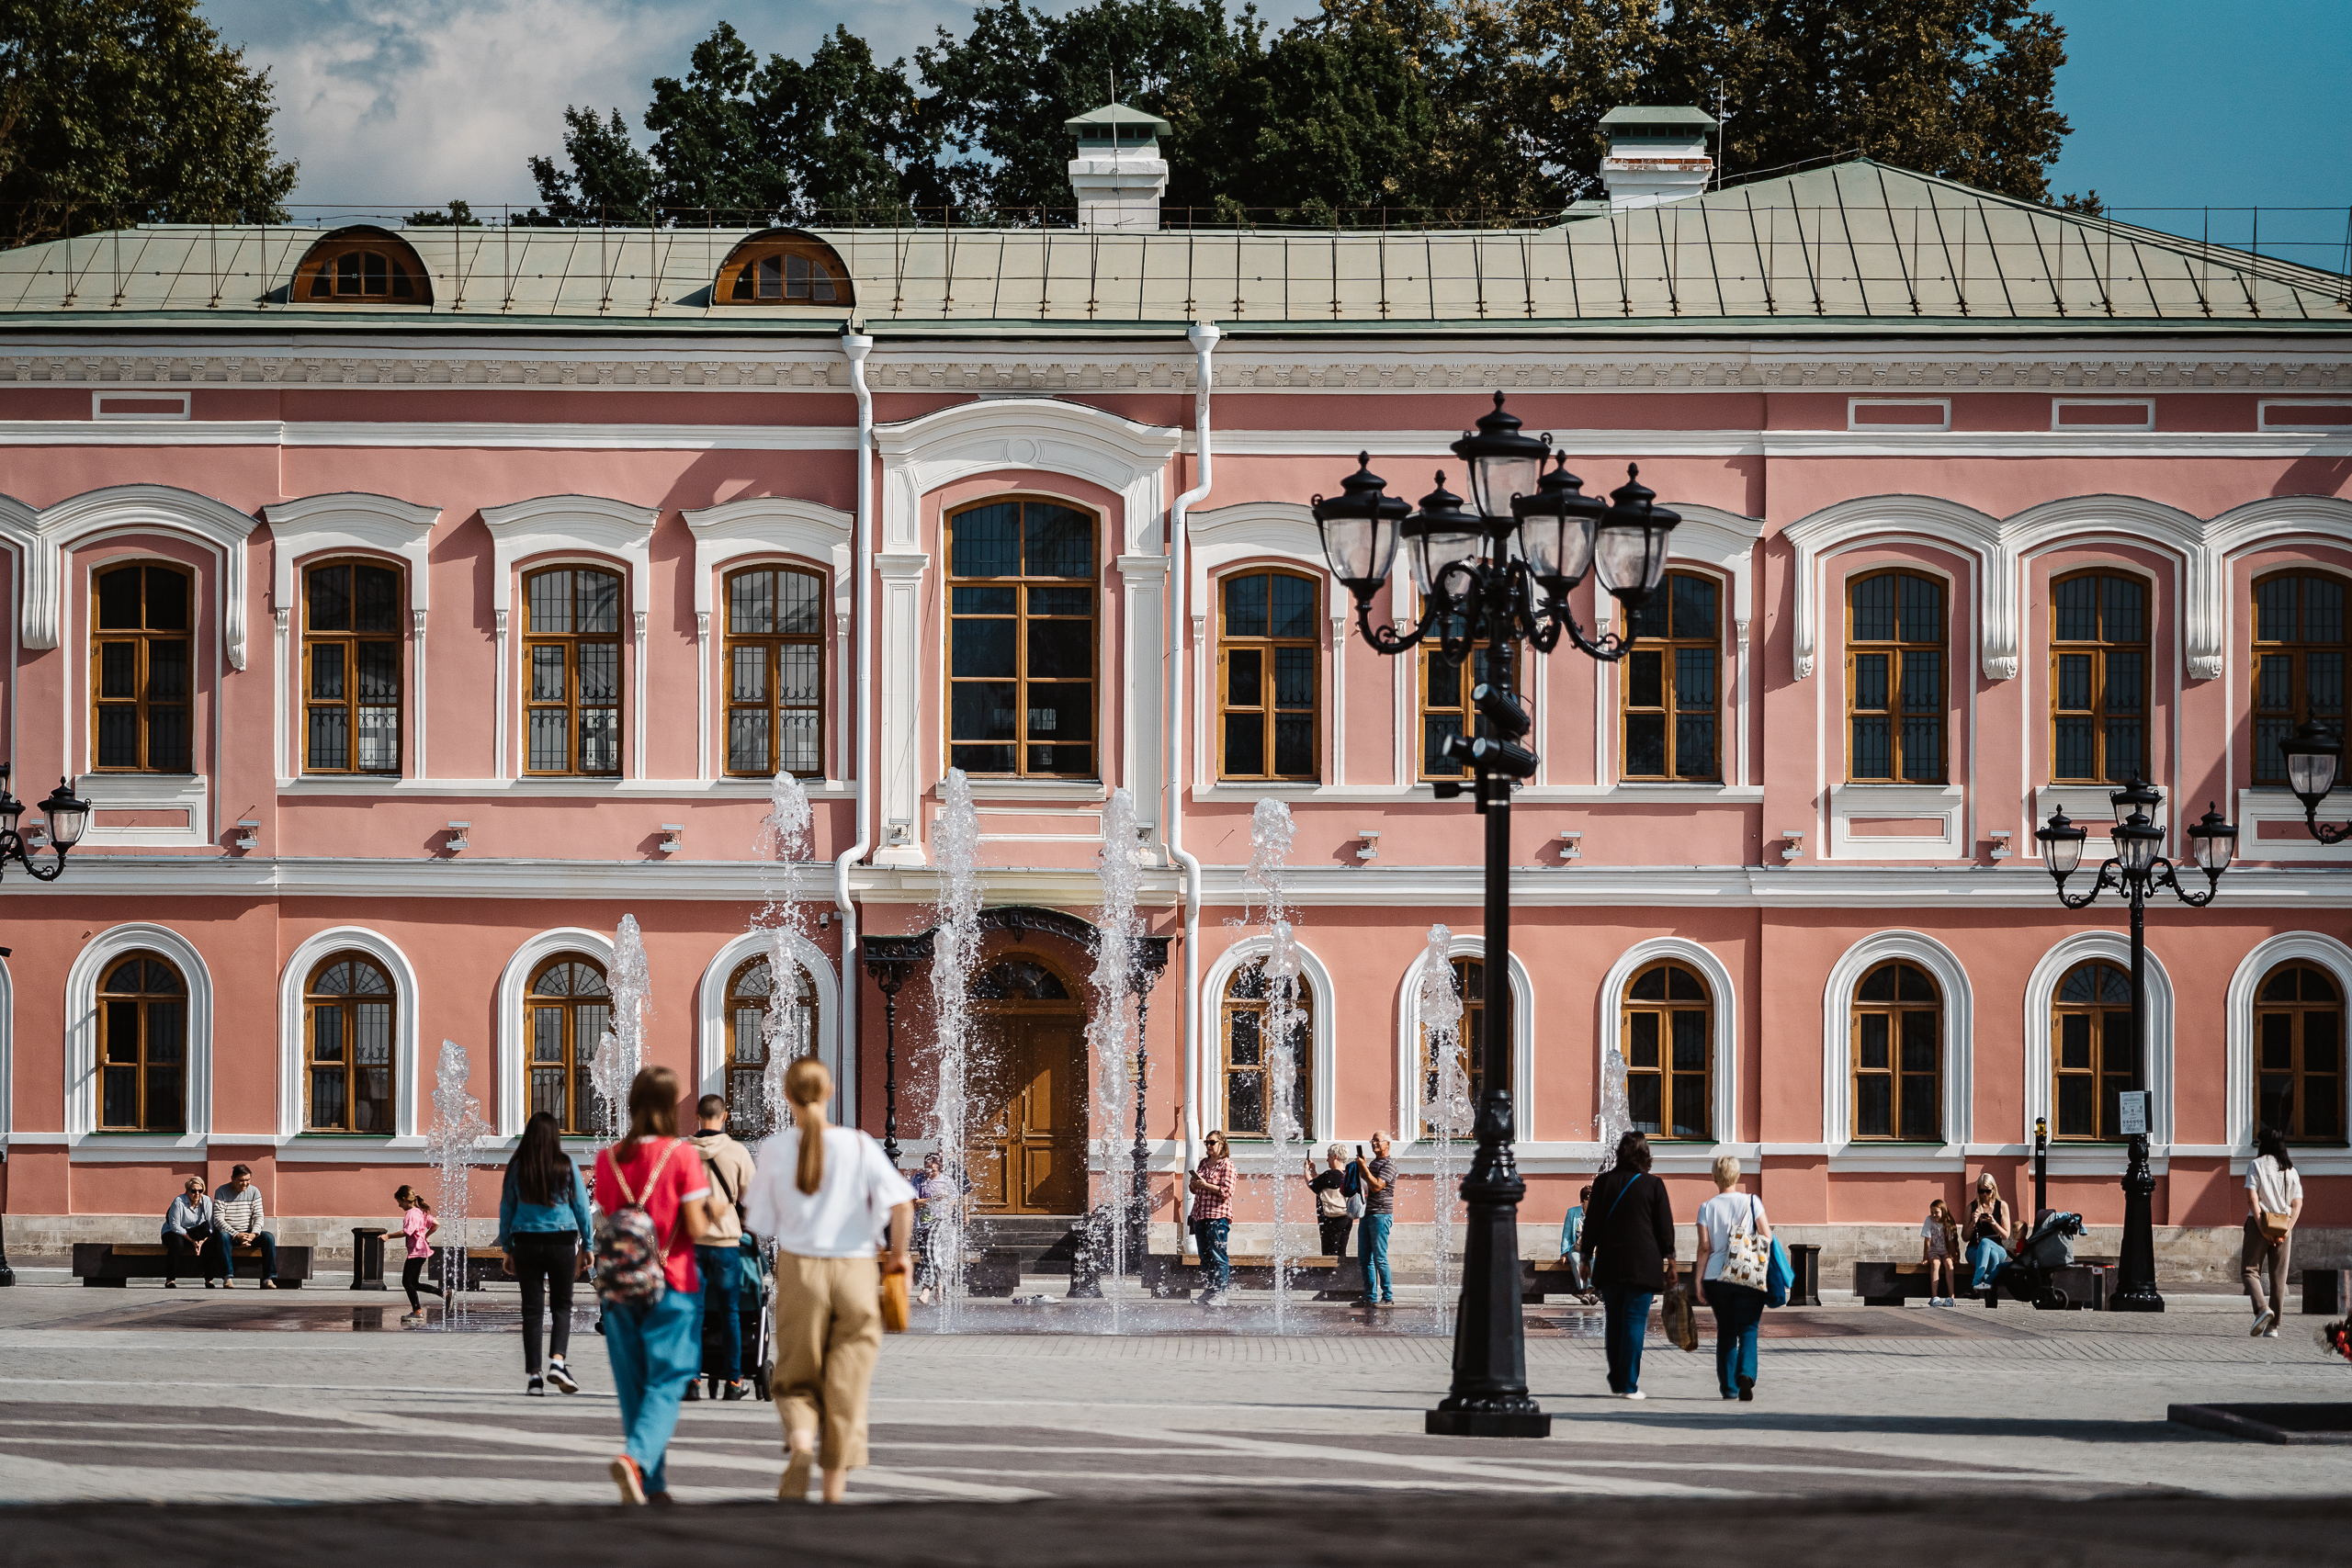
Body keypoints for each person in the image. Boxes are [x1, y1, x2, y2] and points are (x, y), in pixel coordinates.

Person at [745, 1058, 914, 1506]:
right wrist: (898, 1258)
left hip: (801, 1269)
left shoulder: (775, 1149)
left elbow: (759, 1221)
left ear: (787, 1095)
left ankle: (801, 1445)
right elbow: (902, 1205)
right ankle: (833, 1497)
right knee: (847, 1384)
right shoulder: (859, 1145)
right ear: (830, 1091)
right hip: (856, 1271)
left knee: (796, 1376)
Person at [594, 1066, 713, 1506]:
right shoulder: (682, 1156)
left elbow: (608, 1220)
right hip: (673, 1281)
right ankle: (635, 1459)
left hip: (621, 1286)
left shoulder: (608, 1158)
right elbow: (697, 1228)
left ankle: (653, 1484)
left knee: (633, 1385)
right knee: (667, 1379)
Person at [497, 1110, 594, 1395]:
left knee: (532, 1310)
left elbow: (507, 1209)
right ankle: (558, 1362)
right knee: (562, 1306)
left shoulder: (517, 1167)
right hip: (562, 1241)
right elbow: (581, 1209)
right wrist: (587, 1245)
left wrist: (507, 1248)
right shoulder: (566, 1164)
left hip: (525, 1242)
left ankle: (534, 1378)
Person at [1579, 1131, 1676, 1400]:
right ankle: (1629, 1384)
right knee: (1634, 1322)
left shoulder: (1603, 1183)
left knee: (1615, 1322)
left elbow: (1593, 1223)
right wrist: (1671, 1260)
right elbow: (1664, 1227)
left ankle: (1617, 1377)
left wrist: (1586, 1257)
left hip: (1610, 1263)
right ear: (1645, 1155)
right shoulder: (1653, 1185)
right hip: (1643, 1264)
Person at [685, 1093, 759, 1402]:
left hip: (691, 1243)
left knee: (693, 1313)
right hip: (727, 1242)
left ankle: (691, 1379)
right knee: (730, 1312)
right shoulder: (737, 1152)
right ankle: (733, 1380)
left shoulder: (683, 1151)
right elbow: (751, 1196)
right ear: (725, 1116)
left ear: (697, 1116)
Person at [1692, 1155, 1771, 1403]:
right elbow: (1766, 1236)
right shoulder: (1752, 1201)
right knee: (1748, 1328)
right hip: (1748, 1272)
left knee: (1726, 1330)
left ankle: (1728, 1387)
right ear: (1737, 1176)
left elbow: (1704, 1247)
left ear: (1715, 1177)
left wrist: (1698, 1280)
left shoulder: (1707, 1207)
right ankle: (1746, 1374)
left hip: (1717, 1276)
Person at [2245, 1125, 2304, 1338]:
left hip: (2259, 1223)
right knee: (2279, 1277)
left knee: (2250, 1271)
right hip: (2283, 1224)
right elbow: (2297, 1203)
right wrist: (2287, 1229)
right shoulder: (2291, 1170)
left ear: (2265, 1144)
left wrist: (2262, 1227)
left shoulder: (2256, 1165)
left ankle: (2262, 1309)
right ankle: (2273, 1328)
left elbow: (2252, 1198)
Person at [210, 1164, 278, 1289]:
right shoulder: (221, 1191)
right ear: (232, 1178)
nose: (245, 1184)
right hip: (230, 1233)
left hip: (248, 1233)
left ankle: (268, 1278)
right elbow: (218, 1219)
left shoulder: (254, 1192)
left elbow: (259, 1216)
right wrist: (236, 1235)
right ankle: (227, 1277)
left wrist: (253, 1234)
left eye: (247, 1180)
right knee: (222, 1236)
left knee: (268, 1237)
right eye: (241, 1180)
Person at [1188, 1131, 1236, 1305]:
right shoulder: (1203, 1163)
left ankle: (1220, 1293)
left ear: (1221, 1144)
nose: (1208, 1146)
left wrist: (1205, 1185)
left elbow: (1226, 1191)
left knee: (1218, 1255)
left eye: (1212, 1142)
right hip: (1200, 1216)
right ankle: (1209, 1291)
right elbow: (1194, 1190)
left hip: (1217, 1217)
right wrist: (1194, 1184)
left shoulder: (1226, 1165)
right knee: (1205, 1256)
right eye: (1206, 1143)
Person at [1352, 1132, 1396, 1307]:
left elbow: (1377, 1186)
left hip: (1381, 1215)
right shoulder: (1373, 1162)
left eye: (1378, 1140)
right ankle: (1370, 1297)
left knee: (1379, 1257)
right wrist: (1361, 1167)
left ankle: (1387, 1297)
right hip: (1367, 1214)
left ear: (1388, 1144)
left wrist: (1363, 1167)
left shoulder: (1390, 1164)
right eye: (1373, 1140)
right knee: (1365, 1258)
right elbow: (1365, 1183)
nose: (1374, 1143)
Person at [394, 1185, 446, 1324]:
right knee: (413, 1283)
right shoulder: (420, 1212)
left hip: (416, 1252)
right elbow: (436, 1223)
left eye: (399, 1202)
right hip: (422, 1251)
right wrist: (425, 1235)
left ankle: (417, 1312)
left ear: (404, 1199)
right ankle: (443, 1293)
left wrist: (388, 1236)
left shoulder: (411, 1213)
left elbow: (407, 1232)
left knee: (406, 1281)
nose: (399, 1205)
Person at [161, 1175, 221, 1288]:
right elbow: (175, 1226)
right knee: (177, 1244)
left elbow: (211, 1225)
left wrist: (202, 1241)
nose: (197, 1194)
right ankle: (170, 1279)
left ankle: (209, 1279)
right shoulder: (179, 1201)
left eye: (200, 1190)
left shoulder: (206, 1201)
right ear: (187, 1191)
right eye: (194, 1191)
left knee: (212, 1242)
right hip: (175, 1232)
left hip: (198, 1232)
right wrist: (192, 1241)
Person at [912, 1153, 953, 1305]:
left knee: (930, 1252)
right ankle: (940, 1284)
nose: (929, 1173)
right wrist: (933, 1199)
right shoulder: (918, 1179)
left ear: (939, 1169)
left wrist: (948, 1209)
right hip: (921, 1223)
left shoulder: (946, 1181)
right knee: (929, 1256)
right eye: (927, 1169)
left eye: (933, 1171)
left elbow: (954, 1197)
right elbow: (914, 1203)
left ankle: (926, 1289)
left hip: (939, 1222)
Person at [1963, 1173, 2013, 1299]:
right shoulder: (1971, 1207)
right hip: (1974, 1250)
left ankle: (1975, 1284)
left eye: (1987, 1191)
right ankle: (1991, 1287)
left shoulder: (2002, 1206)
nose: (1984, 1194)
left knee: (1986, 1243)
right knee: (1992, 1255)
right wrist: (1973, 1223)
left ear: (1993, 1190)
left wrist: (1994, 1223)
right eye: (1981, 1191)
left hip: (1998, 1248)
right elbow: (1965, 1237)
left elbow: (2006, 1235)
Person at [1305, 1145, 1352, 1259]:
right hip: (1346, 1218)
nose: (1327, 1159)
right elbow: (1324, 1183)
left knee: (1329, 1254)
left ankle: (1330, 1276)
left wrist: (1306, 1170)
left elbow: (1312, 1185)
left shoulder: (1330, 1174)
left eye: (1328, 1156)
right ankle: (1342, 1276)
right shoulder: (1347, 1175)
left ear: (1335, 1156)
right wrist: (1314, 1171)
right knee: (1341, 1253)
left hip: (1331, 1219)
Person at [1558, 1184, 1597, 1304]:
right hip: (1575, 1248)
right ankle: (1585, 1292)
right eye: (1586, 1197)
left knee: (1593, 1260)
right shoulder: (1572, 1212)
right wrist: (1564, 1253)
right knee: (1576, 1260)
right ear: (1583, 1199)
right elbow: (1566, 1234)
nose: (1588, 1200)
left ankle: (1587, 1292)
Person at [1921, 1198, 1958, 1306]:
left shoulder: (1949, 1222)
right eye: (1932, 1212)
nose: (1933, 1215)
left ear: (1943, 1211)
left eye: (1936, 1212)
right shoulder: (1929, 1220)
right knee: (1935, 1263)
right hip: (1934, 1251)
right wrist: (1925, 1257)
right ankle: (1934, 1297)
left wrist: (1955, 1257)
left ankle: (1951, 1297)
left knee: (1949, 1264)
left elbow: (1952, 1242)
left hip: (1946, 1252)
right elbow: (1927, 1240)